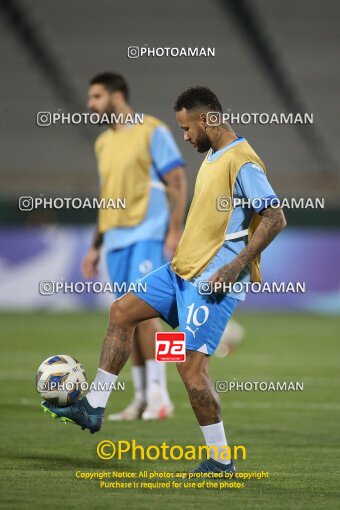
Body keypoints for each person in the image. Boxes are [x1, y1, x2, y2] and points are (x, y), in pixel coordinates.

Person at [42, 86, 286, 475]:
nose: (185, 136)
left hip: (211, 281)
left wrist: (234, 266)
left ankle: (221, 460)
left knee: (191, 370)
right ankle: (94, 408)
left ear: (208, 119)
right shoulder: (213, 155)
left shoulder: (243, 161)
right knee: (122, 311)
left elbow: (275, 217)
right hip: (179, 271)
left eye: (188, 128)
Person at [82, 72, 187, 420]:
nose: (90, 105)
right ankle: (142, 398)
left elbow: (177, 180)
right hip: (115, 241)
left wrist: (174, 231)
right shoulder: (102, 143)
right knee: (125, 317)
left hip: (147, 234)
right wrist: (95, 245)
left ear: (118, 95)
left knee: (147, 315)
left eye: (96, 97)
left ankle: (162, 395)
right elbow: (106, 197)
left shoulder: (151, 130)